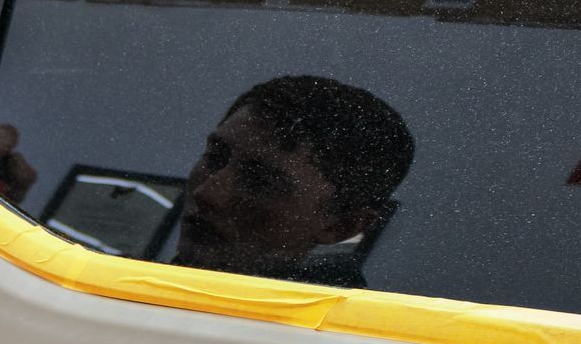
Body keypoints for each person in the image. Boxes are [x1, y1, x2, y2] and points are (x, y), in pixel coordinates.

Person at [173, 75, 414, 288]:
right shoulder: (140, 285)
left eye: (261, 181)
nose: (207, 194)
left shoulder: (354, 336)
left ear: (342, 226)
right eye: (215, 158)